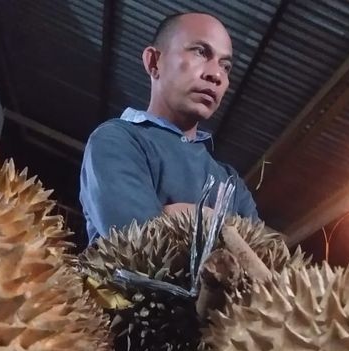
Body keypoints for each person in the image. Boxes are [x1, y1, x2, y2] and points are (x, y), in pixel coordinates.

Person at [79, 12, 259, 243]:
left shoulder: (230, 182)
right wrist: (213, 221)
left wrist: (170, 214)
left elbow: (263, 259)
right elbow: (134, 241)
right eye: (201, 52)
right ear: (154, 62)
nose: (216, 75)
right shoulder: (117, 141)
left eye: (225, 66)